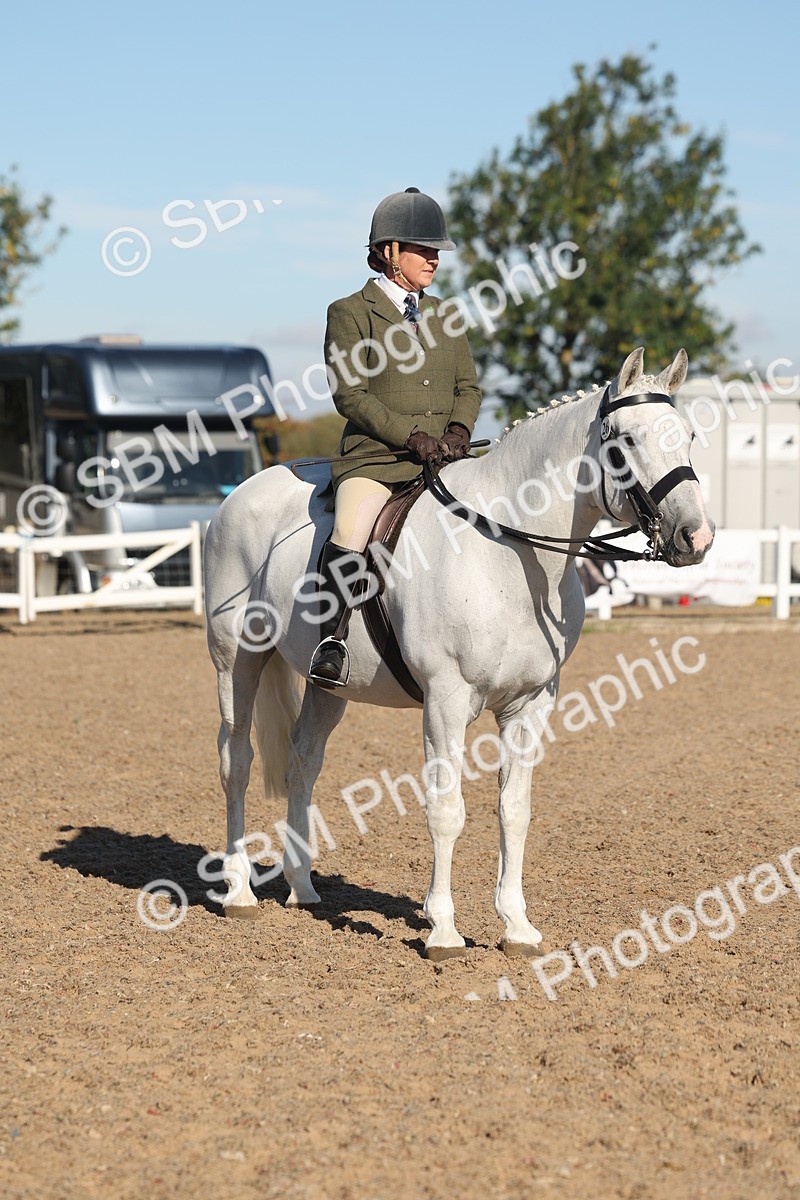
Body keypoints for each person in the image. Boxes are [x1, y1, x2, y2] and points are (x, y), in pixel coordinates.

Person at [307, 186, 482, 685]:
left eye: (436, 251)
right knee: (352, 529)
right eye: (423, 249)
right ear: (389, 252)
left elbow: (468, 385)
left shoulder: (446, 314)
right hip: (378, 459)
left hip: (444, 458)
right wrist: (410, 435)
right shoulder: (350, 312)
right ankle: (333, 641)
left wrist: (458, 428)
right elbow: (351, 395)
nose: (434, 259)